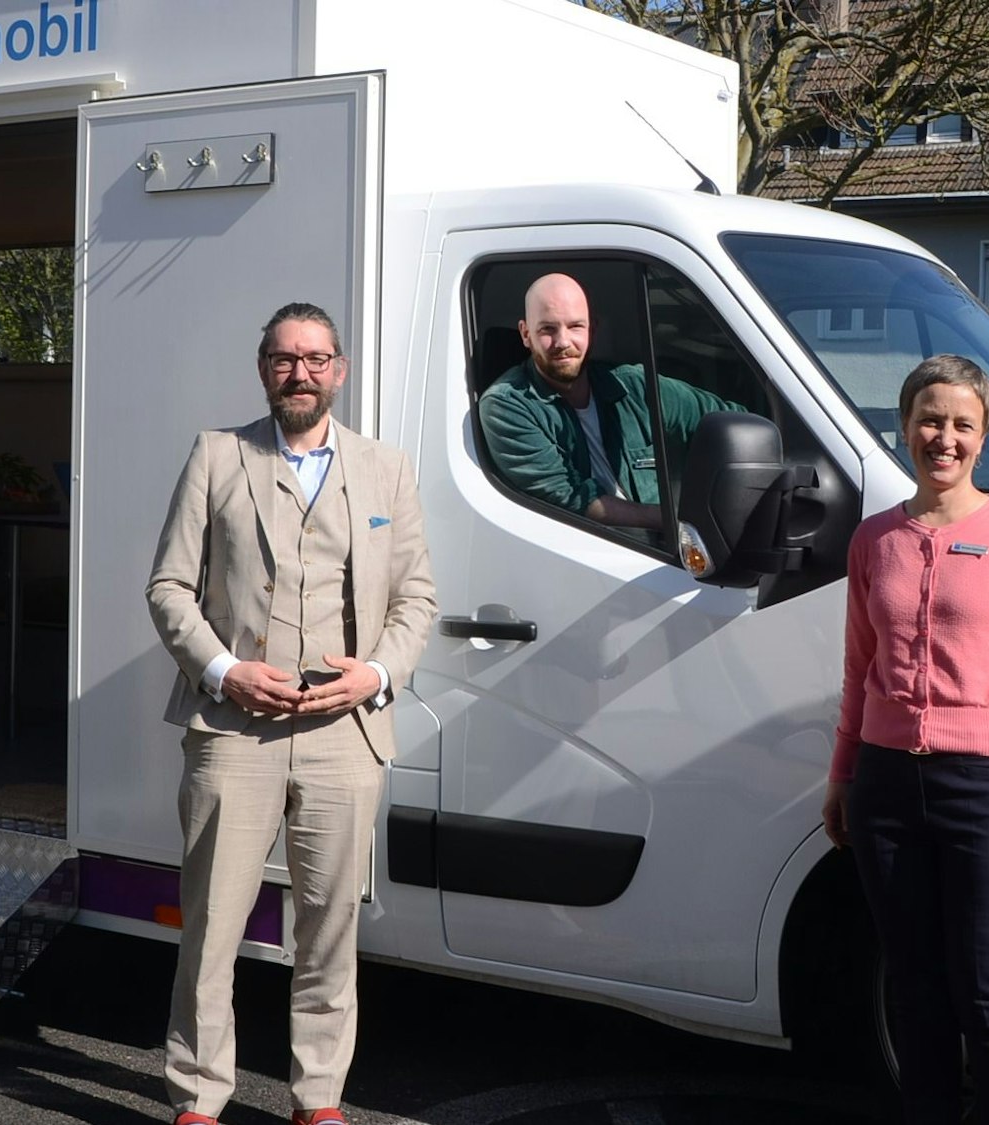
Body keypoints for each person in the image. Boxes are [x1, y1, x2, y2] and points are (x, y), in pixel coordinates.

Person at [146, 302, 438, 1125]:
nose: (300, 372)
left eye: (316, 359)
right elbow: (169, 586)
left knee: (329, 929)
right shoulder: (216, 456)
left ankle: (319, 1100)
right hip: (234, 732)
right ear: (263, 367)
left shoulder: (386, 469)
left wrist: (376, 673)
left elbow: (417, 596)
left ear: (338, 370)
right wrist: (224, 668)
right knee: (211, 930)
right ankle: (199, 1099)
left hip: (345, 735)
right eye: (284, 359)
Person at [820, 354, 989, 1125]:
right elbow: (859, 664)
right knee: (914, 990)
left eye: (963, 423)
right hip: (886, 791)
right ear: (904, 427)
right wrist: (843, 773)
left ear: (984, 433)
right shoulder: (874, 540)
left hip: (988, 787)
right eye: (930, 419)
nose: (945, 437)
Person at [478, 272, 746, 530]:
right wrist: (678, 522)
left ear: (592, 329)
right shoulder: (506, 405)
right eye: (548, 329)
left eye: (575, 326)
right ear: (525, 334)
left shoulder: (634, 385)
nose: (563, 341)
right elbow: (572, 500)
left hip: (664, 557)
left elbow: (729, 421)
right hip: (586, 556)